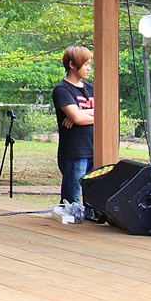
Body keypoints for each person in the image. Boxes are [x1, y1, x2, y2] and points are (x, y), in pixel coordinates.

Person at [52, 45, 94, 204]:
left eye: (90, 64)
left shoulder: (91, 88)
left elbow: (109, 111)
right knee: (72, 200)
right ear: (72, 64)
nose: (89, 68)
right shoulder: (62, 89)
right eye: (85, 64)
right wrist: (78, 116)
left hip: (95, 150)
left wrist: (81, 113)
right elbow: (77, 118)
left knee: (94, 198)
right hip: (75, 152)